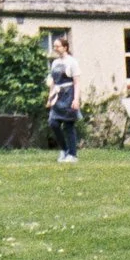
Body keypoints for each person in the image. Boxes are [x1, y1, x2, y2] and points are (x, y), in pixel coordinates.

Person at [44, 34, 80, 163]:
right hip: (57, 95)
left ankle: (72, 155)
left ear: (65, 47)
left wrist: (76, 99)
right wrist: (50, 97)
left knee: (69, 125)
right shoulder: (55, 63)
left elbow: (77, 82)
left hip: (69, 94)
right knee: (53, 123)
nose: (55, 48)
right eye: (54, 46)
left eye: (58, 46)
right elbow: (53, 82)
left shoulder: (72, 62)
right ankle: (64, 150)